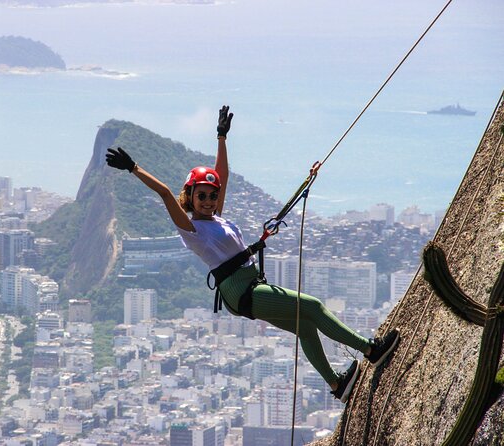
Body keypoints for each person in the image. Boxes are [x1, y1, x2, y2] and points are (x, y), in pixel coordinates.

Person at [105, 105, 400, 402]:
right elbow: (166, 193)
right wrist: (134, 168)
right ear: (190, 195)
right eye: (202, 195)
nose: (209, 200)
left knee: (306, 327)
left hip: (247, 286)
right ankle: (371, 349)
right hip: (240, 289)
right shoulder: (192, 228)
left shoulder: (215, 218)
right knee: (313, 307)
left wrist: (221, 137)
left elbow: (222, 175)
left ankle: (337, 385)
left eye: (213, 195)